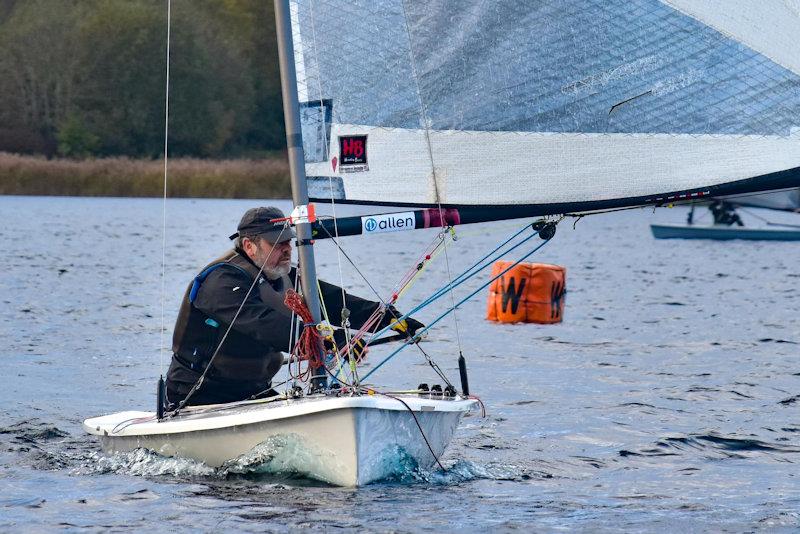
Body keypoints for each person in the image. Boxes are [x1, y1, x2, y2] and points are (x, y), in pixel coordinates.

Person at [166, 206, 423, 407]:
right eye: (277, 243)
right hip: (199, 395)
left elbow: (335, 302)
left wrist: (391, 319)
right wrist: (331, 340)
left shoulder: (282, 274)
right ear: (249, 246)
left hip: (253, 391)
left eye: (288, 241)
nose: (287, 249)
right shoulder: (221, 281)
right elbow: (263, 324)